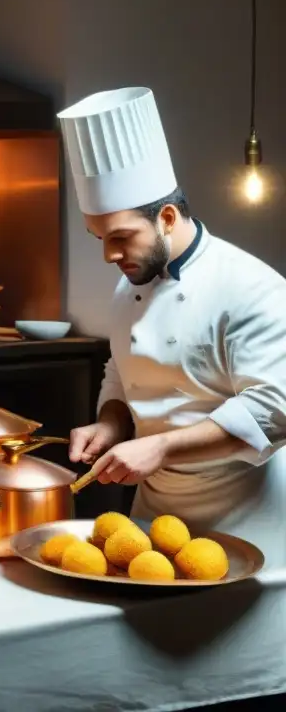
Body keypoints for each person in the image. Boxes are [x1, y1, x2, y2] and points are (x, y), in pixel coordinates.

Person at [58, 86, 286, 565]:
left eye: (120, 237)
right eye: (99, 238)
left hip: (251, 519)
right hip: (154, 527)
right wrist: (111, 423)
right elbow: (122, 371)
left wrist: (158, 448)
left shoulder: (251, 286)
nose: (109, 255)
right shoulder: (129, 285)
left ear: (166, 217)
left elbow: (274, 410)